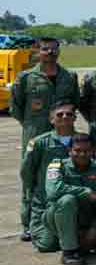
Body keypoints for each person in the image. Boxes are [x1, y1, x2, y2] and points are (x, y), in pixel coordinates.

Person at [12, 37, 79, 241]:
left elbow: (74, 103)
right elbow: (16, 108)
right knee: (31, 178)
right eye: (45, 49)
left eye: (53, 49)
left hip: (65, 134)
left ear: (59, 51)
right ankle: (29, 223)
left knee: (65, 173)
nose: (50, 52)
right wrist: (33, 125)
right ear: (38, 51)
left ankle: (61, 218)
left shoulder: (69, 76)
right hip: (35, 134)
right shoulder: (25, 78)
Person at [35, 133, 96, 265]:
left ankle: (77, 242)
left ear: (92, 151)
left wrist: (94, 228)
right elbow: (52, 191)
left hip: (87, 220)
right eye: (77, 151)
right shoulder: (57, 166)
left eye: (86, 151)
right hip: (57, 217)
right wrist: (86, 191)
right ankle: (69, 252)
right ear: (69, 151)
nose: (82, 154)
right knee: (67, 200)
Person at [21, 102, 79, 243]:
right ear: (52, 120)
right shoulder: (39, 143)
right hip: (47, 201)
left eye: (69, 114)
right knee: (46, 244)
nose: (64, 117)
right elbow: (27, 172)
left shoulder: (83, 140)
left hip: (76, 197)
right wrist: (35, 193)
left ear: (74, 118)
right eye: (59, 114)